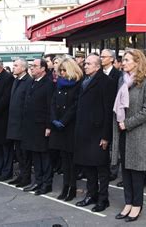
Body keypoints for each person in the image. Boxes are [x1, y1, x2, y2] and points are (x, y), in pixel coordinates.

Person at [111, 49, 146, 222]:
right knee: (125, 171)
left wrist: (127, 123)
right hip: (121, 132)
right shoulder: (122, 79)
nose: (123, 63)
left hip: (136, 132)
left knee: (136, 172)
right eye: (123, 60)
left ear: (137, 61)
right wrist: (120, 124)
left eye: (127, 60)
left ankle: (137, 205)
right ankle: (128, 202)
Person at [74, 54, 116, 212]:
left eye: (89, 64)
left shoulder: (106, 82)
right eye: (85, 63)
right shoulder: (84, 81)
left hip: (98, 133)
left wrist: (106, 136)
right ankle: (91, 194)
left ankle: (103, 199)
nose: (85, 66)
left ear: (98, 66)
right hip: (84, 132)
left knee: (101, 168)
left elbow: (108, 111)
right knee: (88, 167)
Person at [49, 58, 83, 202]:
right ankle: (65, 186)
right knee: (64, 158)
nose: (62, 73)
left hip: (70, 126)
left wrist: (63, 121)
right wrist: (54, 119)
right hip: (59, 126)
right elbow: (53, 102)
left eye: (64, 70)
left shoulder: (77, 85)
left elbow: (75, 106)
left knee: (71, 159)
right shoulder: (59, 85)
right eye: (60, 70)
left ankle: (72, 187)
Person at [21, 58, 55, 195]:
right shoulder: (32, 82)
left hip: (42, 126)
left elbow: (50, 106)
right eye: (31, 66)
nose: (32, 68)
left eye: (35, 66)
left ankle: (46, 183)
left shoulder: (48, 84)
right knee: (35, 156)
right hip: (31, 126)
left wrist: (48, 126)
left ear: (43, 69)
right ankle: (38, 181)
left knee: (44, 156)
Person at [7, 58, 33, 187]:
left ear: (23, 68)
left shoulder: (28, 81)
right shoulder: (16, 80)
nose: (13, 67)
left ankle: (26, 177)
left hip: (23, 124)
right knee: (18, 152)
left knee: (24, 153)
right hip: (14, 122)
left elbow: (27, 103)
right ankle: (21, 175)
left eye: (16, 65)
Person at [100, 49, 122, 183]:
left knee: (114, 144)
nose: (101, 58)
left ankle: (113, 170)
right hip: (101, 112)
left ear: (112, 59)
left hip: (113, 112)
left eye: (104, 57)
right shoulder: (99, 74)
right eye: (101, 56)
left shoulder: (118, 75)